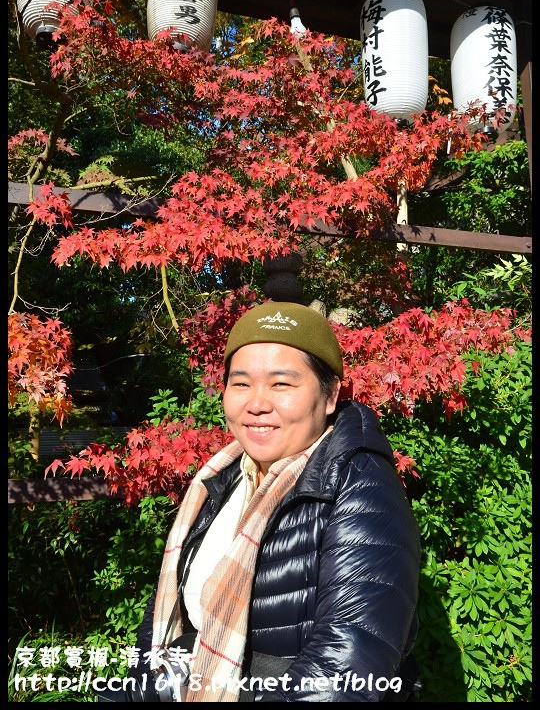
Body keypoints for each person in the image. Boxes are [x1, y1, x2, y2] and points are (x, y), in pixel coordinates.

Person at [104, 301, 421, 702]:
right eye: (240, 383)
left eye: (281, 384)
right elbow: (161, 621)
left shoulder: (359, 483)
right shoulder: (221, 479)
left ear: (329, 395)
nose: (256, 402)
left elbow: (346, 666)